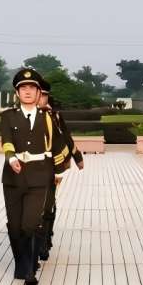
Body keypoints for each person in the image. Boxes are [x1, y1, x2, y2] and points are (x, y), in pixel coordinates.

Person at [0, 68, 69, 285]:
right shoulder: (8, 116)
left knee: (30, 224)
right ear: (17, 92)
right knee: (15, 226)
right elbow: (6, 140)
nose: (28, 91)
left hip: (40, 176)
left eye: (32, 88)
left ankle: (30, 269)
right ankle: (21, 264)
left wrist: (59, 171)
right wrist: (11, 157)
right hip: (13, 176)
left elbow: (57, 144)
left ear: (39, 93)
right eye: (23, 88)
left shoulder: (48, 118)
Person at [37, 79, 84, 260]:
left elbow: (65, 136)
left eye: (43, 95)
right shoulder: (24, 115)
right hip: (29, 167)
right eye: (38, 94)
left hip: (51, 166)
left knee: (48, 204)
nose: (40, 98)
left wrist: (77, 156)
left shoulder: (54, 116)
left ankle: (45, 239)